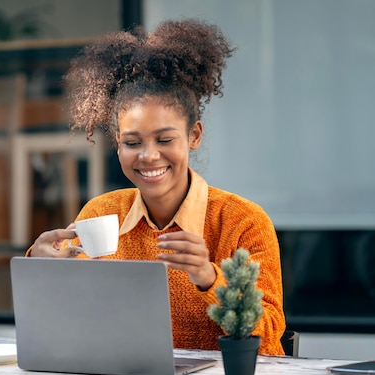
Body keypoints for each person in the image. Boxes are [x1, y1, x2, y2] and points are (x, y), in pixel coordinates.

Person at [26, 18, 286, 356]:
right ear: (117, 143)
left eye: (165, 139)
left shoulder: (243, 222)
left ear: (194, 135)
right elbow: (62, 324)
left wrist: (210, 279)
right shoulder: (102, 214)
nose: (149, 156)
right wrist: (41, 271)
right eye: (132, 142)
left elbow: (268, 338)